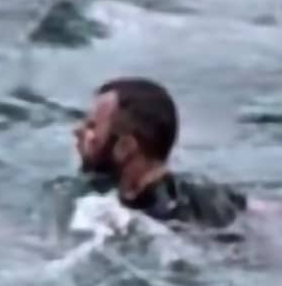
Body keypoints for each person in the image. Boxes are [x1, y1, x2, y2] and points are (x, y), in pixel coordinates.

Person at [73, 77, 247, 229]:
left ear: (125, 147)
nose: (77, 131)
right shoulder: (213, 196)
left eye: (92, 127)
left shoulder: (111, 213)